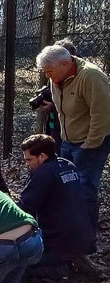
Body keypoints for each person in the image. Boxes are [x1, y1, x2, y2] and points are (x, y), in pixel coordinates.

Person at [36, 44, 110, 242]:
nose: (47, 76)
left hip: (91, 142)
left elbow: (102, 114)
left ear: (64, 64)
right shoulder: (56, 78)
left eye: (50, 71)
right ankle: (68, 232)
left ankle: (87, 240)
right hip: (68, 140)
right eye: (45, 72)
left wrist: (90, 144)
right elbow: (62, 111)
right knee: (66, 185)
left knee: (85, 189)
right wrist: (63, 137)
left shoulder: (91, 76)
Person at [18, 134, 97, 279]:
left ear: (42, 156)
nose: (27, 164)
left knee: (17, 266)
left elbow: (24, 206)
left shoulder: (44, 172)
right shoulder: (68, 165)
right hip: (82, 238)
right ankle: (73, 258)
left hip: (56, 242)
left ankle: (59, 268)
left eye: (29, 160)